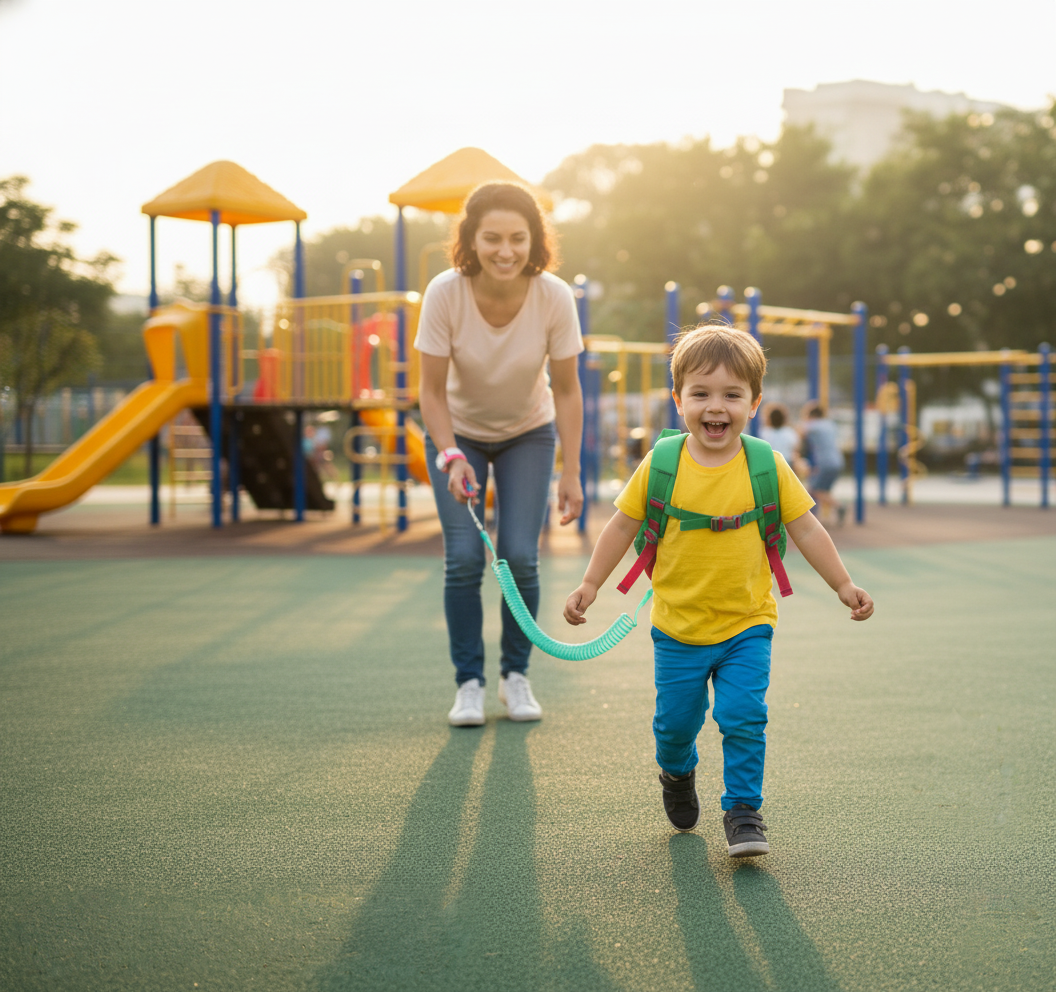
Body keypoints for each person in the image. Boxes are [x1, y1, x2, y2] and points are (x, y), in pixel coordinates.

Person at [563, 325, 873, 857]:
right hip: (678, 628)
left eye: (732, 395)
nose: (716, 407)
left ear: (755, 403)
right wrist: (591, 583)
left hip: (747, 623)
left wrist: (843, 584)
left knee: (744, 716)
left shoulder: (765, 464)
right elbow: (620, 526)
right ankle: (677, 774)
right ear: (678, 398)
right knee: (675, 725)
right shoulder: (662, 462)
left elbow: (806, 528)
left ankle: (744, 812)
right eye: (701, 393)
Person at [416, 182, 584, 728]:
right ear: (472, 238)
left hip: (527, 434)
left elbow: (567, 389)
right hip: (456, 435)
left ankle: (516, 677)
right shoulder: (445, 292)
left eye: (517, 238)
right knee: (464, 558)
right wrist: (449, 456)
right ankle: (469, 683)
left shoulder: (554, 296)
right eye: (492, 238)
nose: (505, 250)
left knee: (518, 553)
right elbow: (432, 393)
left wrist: (572, 471)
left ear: (535, 239)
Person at [800, 401, 845, 526]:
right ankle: (825, 518)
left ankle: (839, 506)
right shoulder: (830, 424)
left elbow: (801, 432)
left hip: (824, 462)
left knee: (814, 490)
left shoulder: (813, 425)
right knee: (825, 490)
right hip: (838, 460)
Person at [760, 404, 802, 472]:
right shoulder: (789, 432)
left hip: (771, 463)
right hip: (787, 463)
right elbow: (796, 448)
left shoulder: (765, 433)